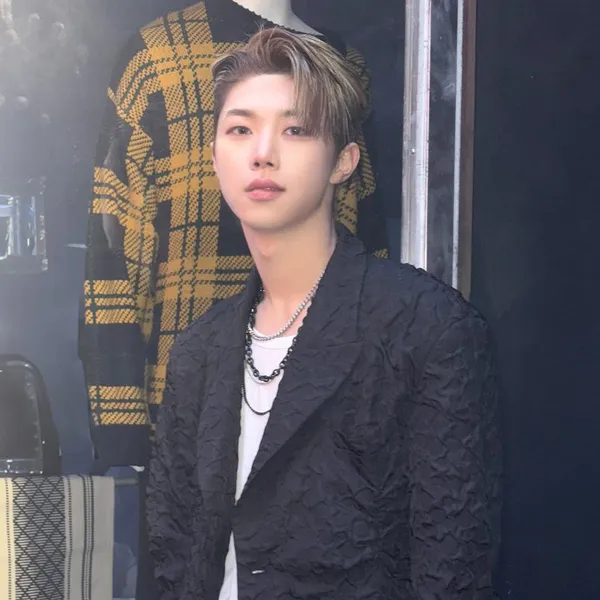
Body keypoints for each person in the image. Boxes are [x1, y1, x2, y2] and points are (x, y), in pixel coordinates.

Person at [147, 26, 501, 600]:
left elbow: (453, 569)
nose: (263, 152)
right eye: (240, 129)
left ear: (344, 161)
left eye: (296, 129)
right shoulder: (198, 352)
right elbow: (172, 558)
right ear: (213, 156)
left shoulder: (426, 329)